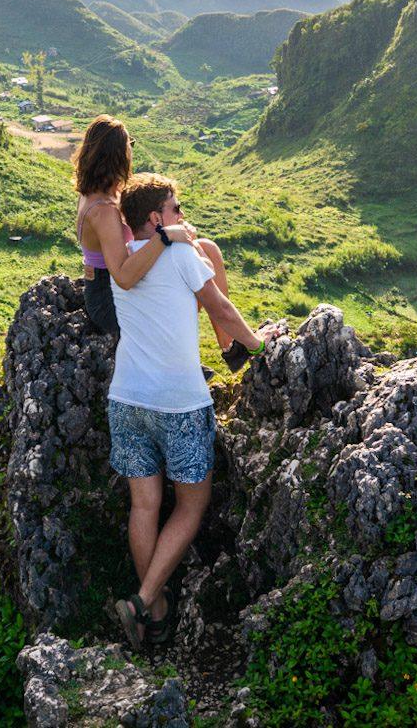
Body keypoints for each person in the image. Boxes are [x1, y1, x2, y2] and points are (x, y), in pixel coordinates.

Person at [109, 173, 277, 649]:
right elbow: (221, 310)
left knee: (144, 504)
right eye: (175, 208)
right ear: (154, 218)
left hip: (126, 399)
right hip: (179, 404)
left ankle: (154, 613)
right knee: (191, 505)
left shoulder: (123, 262)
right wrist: (260, 346)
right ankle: (144, 600)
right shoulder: (181, 254)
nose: (183, 216)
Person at [73, 115, 250, 371]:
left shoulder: (106, 192)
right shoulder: (102, 210)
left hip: (115, 284)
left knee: (206, 248)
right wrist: (165, 237)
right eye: (129, 145)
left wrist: (176, 230)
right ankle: (177, 359)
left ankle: (229, 346)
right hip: (109, 298)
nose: (131, 151)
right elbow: (123, 276)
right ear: (117, 155)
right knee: (191, 276)